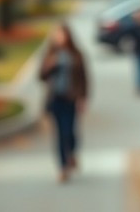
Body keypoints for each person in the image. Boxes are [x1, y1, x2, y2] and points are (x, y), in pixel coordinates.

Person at [38, 23, 89, 183]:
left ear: (68, 35)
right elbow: (41, 76)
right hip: (55, 99)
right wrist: (50, 65)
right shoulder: (50, 55)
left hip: (70, 98)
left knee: (70, 132)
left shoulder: (76, 54)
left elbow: (84, 78)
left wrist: (82, 97)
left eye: (62, 34)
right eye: (57, 34)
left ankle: (72, 153)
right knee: (59, 135)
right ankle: (62, 167)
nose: (59, 38)